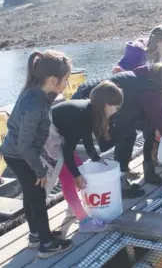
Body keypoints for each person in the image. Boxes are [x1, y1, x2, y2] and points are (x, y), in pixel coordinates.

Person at [0, 50, 73, 259]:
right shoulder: (34, 106)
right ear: (52, 80)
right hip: (20, 155)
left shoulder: (35, 91)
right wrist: (40, 171)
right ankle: (46, 244)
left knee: (31, 193)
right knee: (38, 195)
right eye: (66, 79)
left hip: (16, 152)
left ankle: (35, 235)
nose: (67, 84)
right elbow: (25, 147)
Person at [46, 81, 132, 234]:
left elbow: (85, 135)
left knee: (76, 169)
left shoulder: (91, 111)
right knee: (68, 176)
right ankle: (84, 221)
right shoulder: (81, 115)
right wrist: (76, 174)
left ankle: (74, 209)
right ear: (106, 105)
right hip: (49, 133)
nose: (116, 111)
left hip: (63, 133)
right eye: (115, 107)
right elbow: (67, 150)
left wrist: (95, 157)